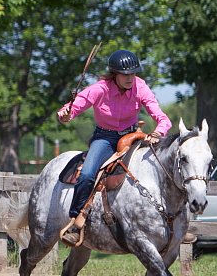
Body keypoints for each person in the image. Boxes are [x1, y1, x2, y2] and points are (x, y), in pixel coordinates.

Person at [57, 49, 172, 246]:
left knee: (163, 167)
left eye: (133, 73)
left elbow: (161, 118)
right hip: (105, 138)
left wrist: (158, 132)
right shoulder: (99, 89)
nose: (130, 78)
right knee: (87, 174)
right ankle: (76, 222)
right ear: (114, 74)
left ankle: (174, 223)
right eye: (125, 74)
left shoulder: (140, 87)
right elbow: (71, 109)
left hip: (133, 135)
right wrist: (66, 114)